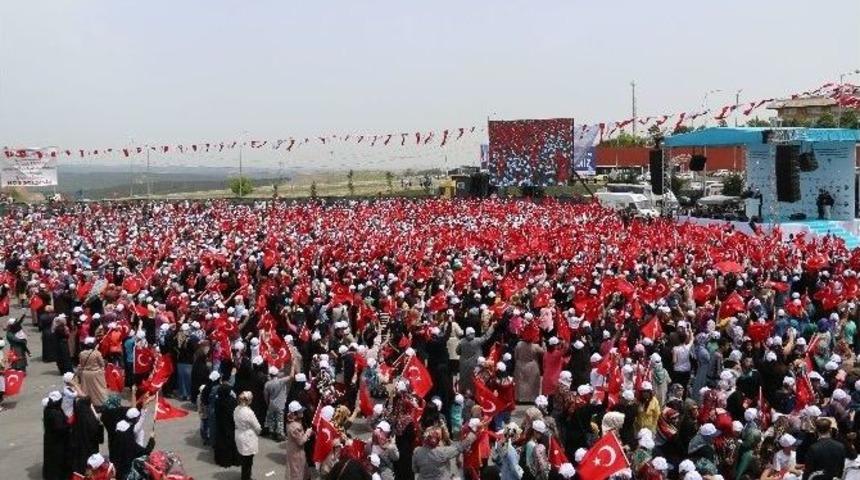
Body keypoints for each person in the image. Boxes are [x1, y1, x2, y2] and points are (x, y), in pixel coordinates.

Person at [43, 390, 71, 480]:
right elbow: (60, 428)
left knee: (51, 460)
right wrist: (68, 424)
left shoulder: (49, 409)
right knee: (57, 461)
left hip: (50, 439)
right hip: (57, 442)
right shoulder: (55, 413)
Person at [235, 391, 262, 480]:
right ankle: (246, 477)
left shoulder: (236, 409)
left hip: (239, 433)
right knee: (248, 460)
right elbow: (257, 426)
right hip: (248, 436)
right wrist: (258, 432)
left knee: (244, 459)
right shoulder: (249, 412)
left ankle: (245, 476)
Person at [213, 373, 239, 468]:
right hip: (230, 425)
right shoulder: (231, 401)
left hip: (221, 425)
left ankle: (223, 460)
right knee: (231, 442)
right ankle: (233, 459)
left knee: (222, 442)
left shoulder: (217, 401)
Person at [76, 337, 109, 408]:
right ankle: (99, 404)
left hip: (85, 374)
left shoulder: (81, 353)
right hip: (96, 374)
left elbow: (81, 364)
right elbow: (102, 364)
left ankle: (88, 404)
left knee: (87, 390)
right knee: (99, 390)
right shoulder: (97, 353)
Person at [285, 401, 311, 480]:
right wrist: (308, 433)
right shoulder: (295, 427)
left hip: (293, 451)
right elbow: (301, 441)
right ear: (295, 413)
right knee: (297, 474)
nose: (302, 412)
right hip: (296, 453)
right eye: (300, 411)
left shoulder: (292, 421)